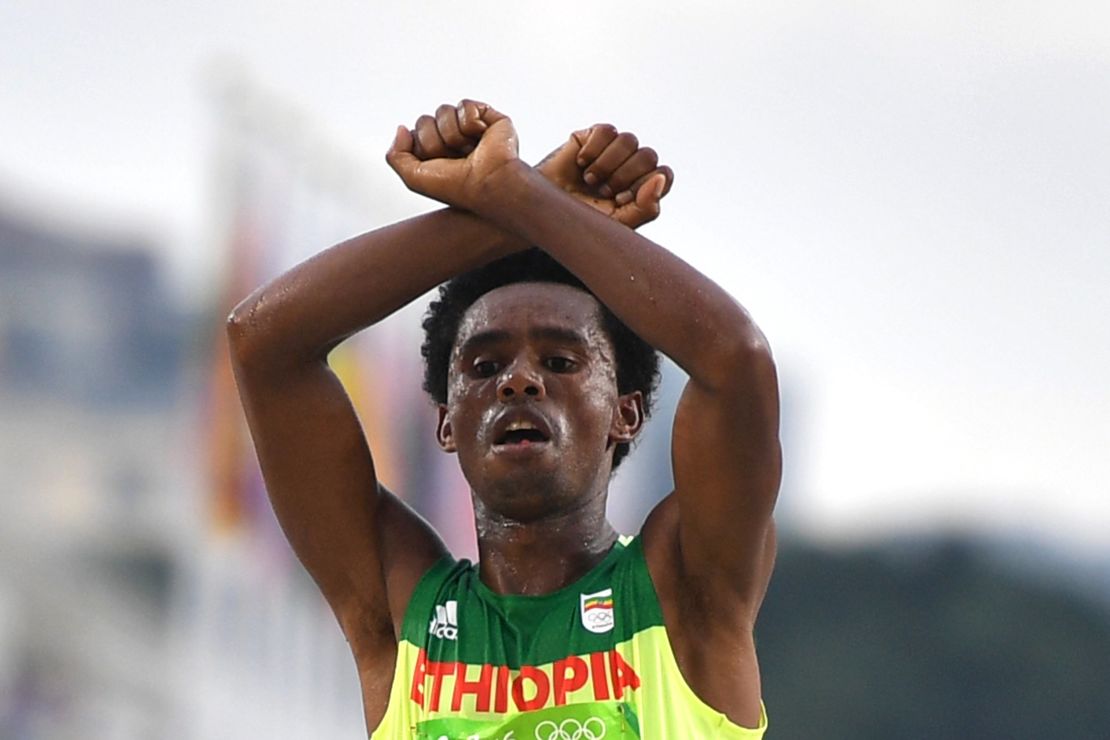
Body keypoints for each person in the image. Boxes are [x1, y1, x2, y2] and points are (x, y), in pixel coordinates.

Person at [227, 99, 781, 739]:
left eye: (561, 360)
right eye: (484, 368)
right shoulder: (402, 612)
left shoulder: (685, 589)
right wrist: (521, 204)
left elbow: (736, 360)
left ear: (625, 413)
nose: (519, 380)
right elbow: (263, 340)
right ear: (445, 423)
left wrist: (519, 199)